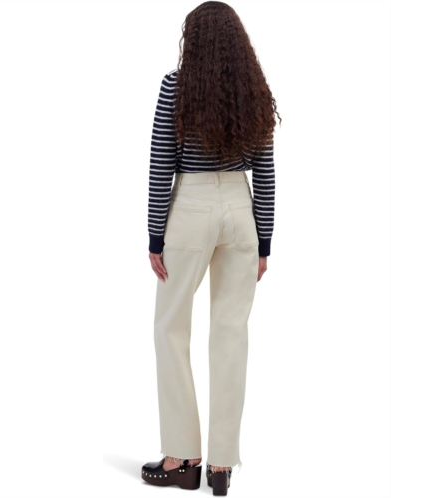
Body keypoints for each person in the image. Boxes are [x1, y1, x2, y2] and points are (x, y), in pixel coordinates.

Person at [142, 2, 280, 495]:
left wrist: (155, 235)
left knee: (170, 327)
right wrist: (264, 241)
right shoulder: (254, 90)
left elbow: (162, 162)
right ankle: (222, 465)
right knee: (231, 334)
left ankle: (182, 458)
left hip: (191, 209)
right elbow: (264, 171)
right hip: (241, 210)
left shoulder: (175, 86)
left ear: (193, 39)